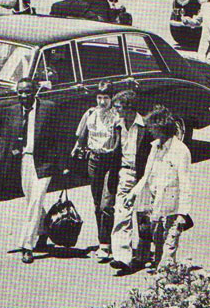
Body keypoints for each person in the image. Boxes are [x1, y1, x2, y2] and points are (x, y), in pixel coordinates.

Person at [0, 78, 63, 264]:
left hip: (44, 162)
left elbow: (59, 138)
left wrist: (61, 164)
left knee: (35, 201)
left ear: (35, 91)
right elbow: (5, 141)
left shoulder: (49, 108)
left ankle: (27, 245)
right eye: (21, 92)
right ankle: (44, 231)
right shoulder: (12, 111)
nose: (24, 96)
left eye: (28, 92)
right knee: (32, 201)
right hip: (25, 161)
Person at [124, 105, 192, 272]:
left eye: (153, 129)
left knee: (171, 238)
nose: (150, 132)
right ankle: (163, 268)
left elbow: (185, 183)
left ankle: (166, 270)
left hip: (173, 205)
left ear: (162, 128)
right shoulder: (154, 146)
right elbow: (146, 175)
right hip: (156, 202)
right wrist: (133, 193)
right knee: (158, 237)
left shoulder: (180, 150)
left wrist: (183, 212)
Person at [71, 83, 118, 262]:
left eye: (106, 98)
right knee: (97, 203)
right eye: (99, 98)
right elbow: (82, 136)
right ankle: (103, 241)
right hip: (94, 160)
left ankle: (106, 243)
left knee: (107, 204)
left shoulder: (117, 116)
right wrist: (76, 150)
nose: (102, 101)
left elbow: (119, 141)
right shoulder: (90, 114)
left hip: (111, 161)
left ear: (111, 98)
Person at [108, 91, 153, 275]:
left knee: (143, 217)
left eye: (118, 107)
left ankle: (142, 256)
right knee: (121, 213)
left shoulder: (146, 127)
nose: (115, 110)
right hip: (125, 173)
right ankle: (122, 257)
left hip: (145, 175)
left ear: (128, 107)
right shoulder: (117, 125)